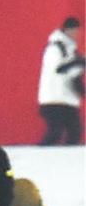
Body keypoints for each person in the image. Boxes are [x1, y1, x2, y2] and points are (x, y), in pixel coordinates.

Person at [38, 16, 85, 146]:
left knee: (75, 131)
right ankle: (37, 156)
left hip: (68, 100)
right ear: (67, 30)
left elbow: (74, 76)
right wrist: (79, 62)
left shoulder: (72, 51)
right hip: (54, 98)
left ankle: (68, 161)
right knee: (55, 131)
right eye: (74, 31)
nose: (77, 35)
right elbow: (58, 69)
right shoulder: (55, 47)